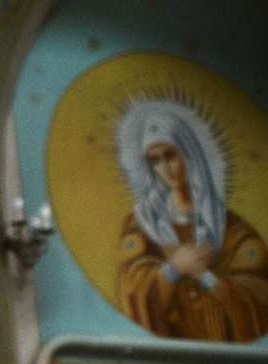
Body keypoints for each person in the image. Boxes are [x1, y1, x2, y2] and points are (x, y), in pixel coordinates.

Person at [113, 99, 268, 341]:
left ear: (189, 154)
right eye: (155, 160)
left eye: (170, 155)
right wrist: (174, 269)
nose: (165, 168)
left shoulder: (231, 227)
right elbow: (132, 284)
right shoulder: (143, 223)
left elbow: (257, 292)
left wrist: (206, 277)